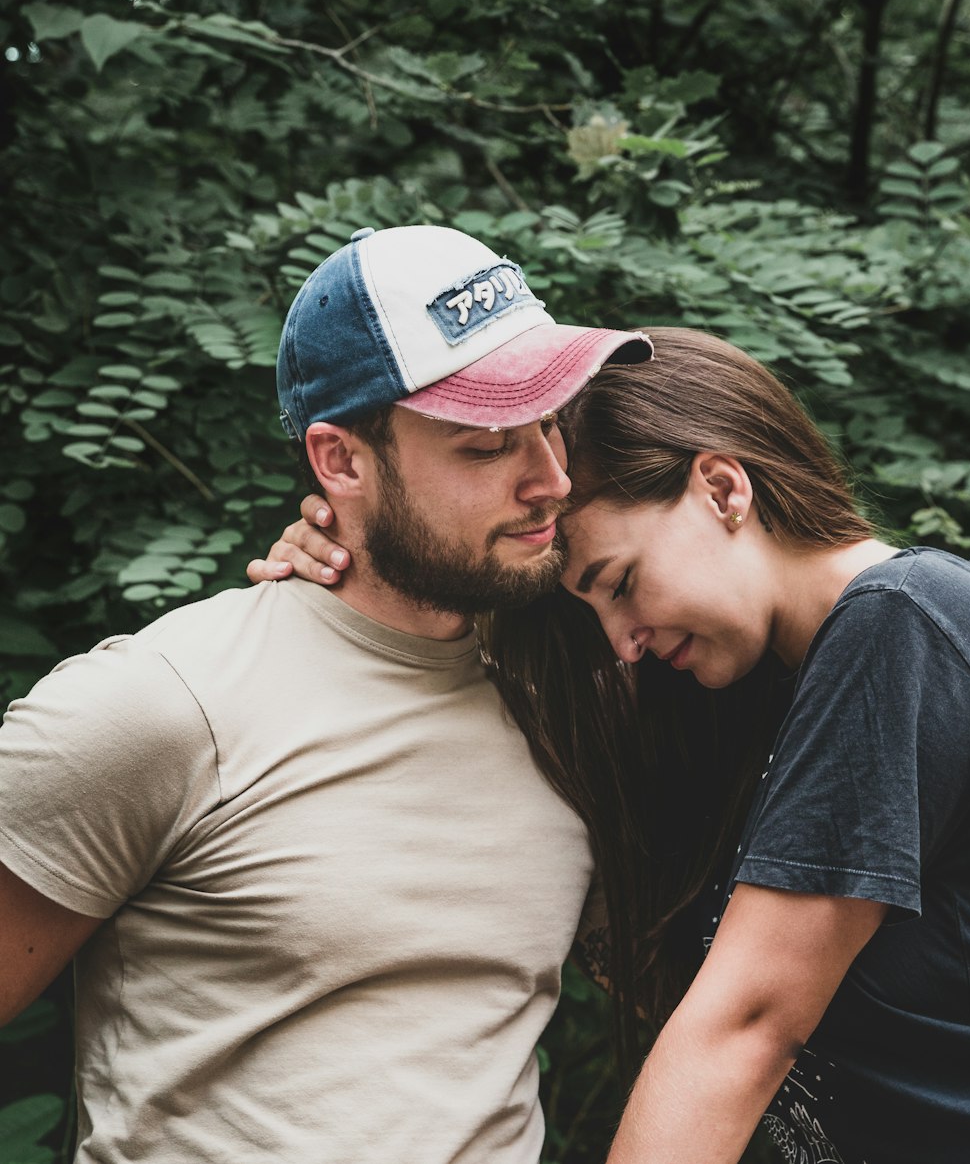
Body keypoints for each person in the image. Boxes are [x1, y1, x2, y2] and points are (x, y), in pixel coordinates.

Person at [259, 327, 970, 1164]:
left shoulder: (905, 625)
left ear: (722, 488)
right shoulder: (754, 697)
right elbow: (652, 968)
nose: (622, 641)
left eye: (619, 584)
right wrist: (371, 569)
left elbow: (744, 1027)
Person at [0, 223, 652, 1164]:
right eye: (486, 447)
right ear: (340, 462)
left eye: (552, 423)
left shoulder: (566, 710)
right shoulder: (164, 705)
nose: (551, 478)